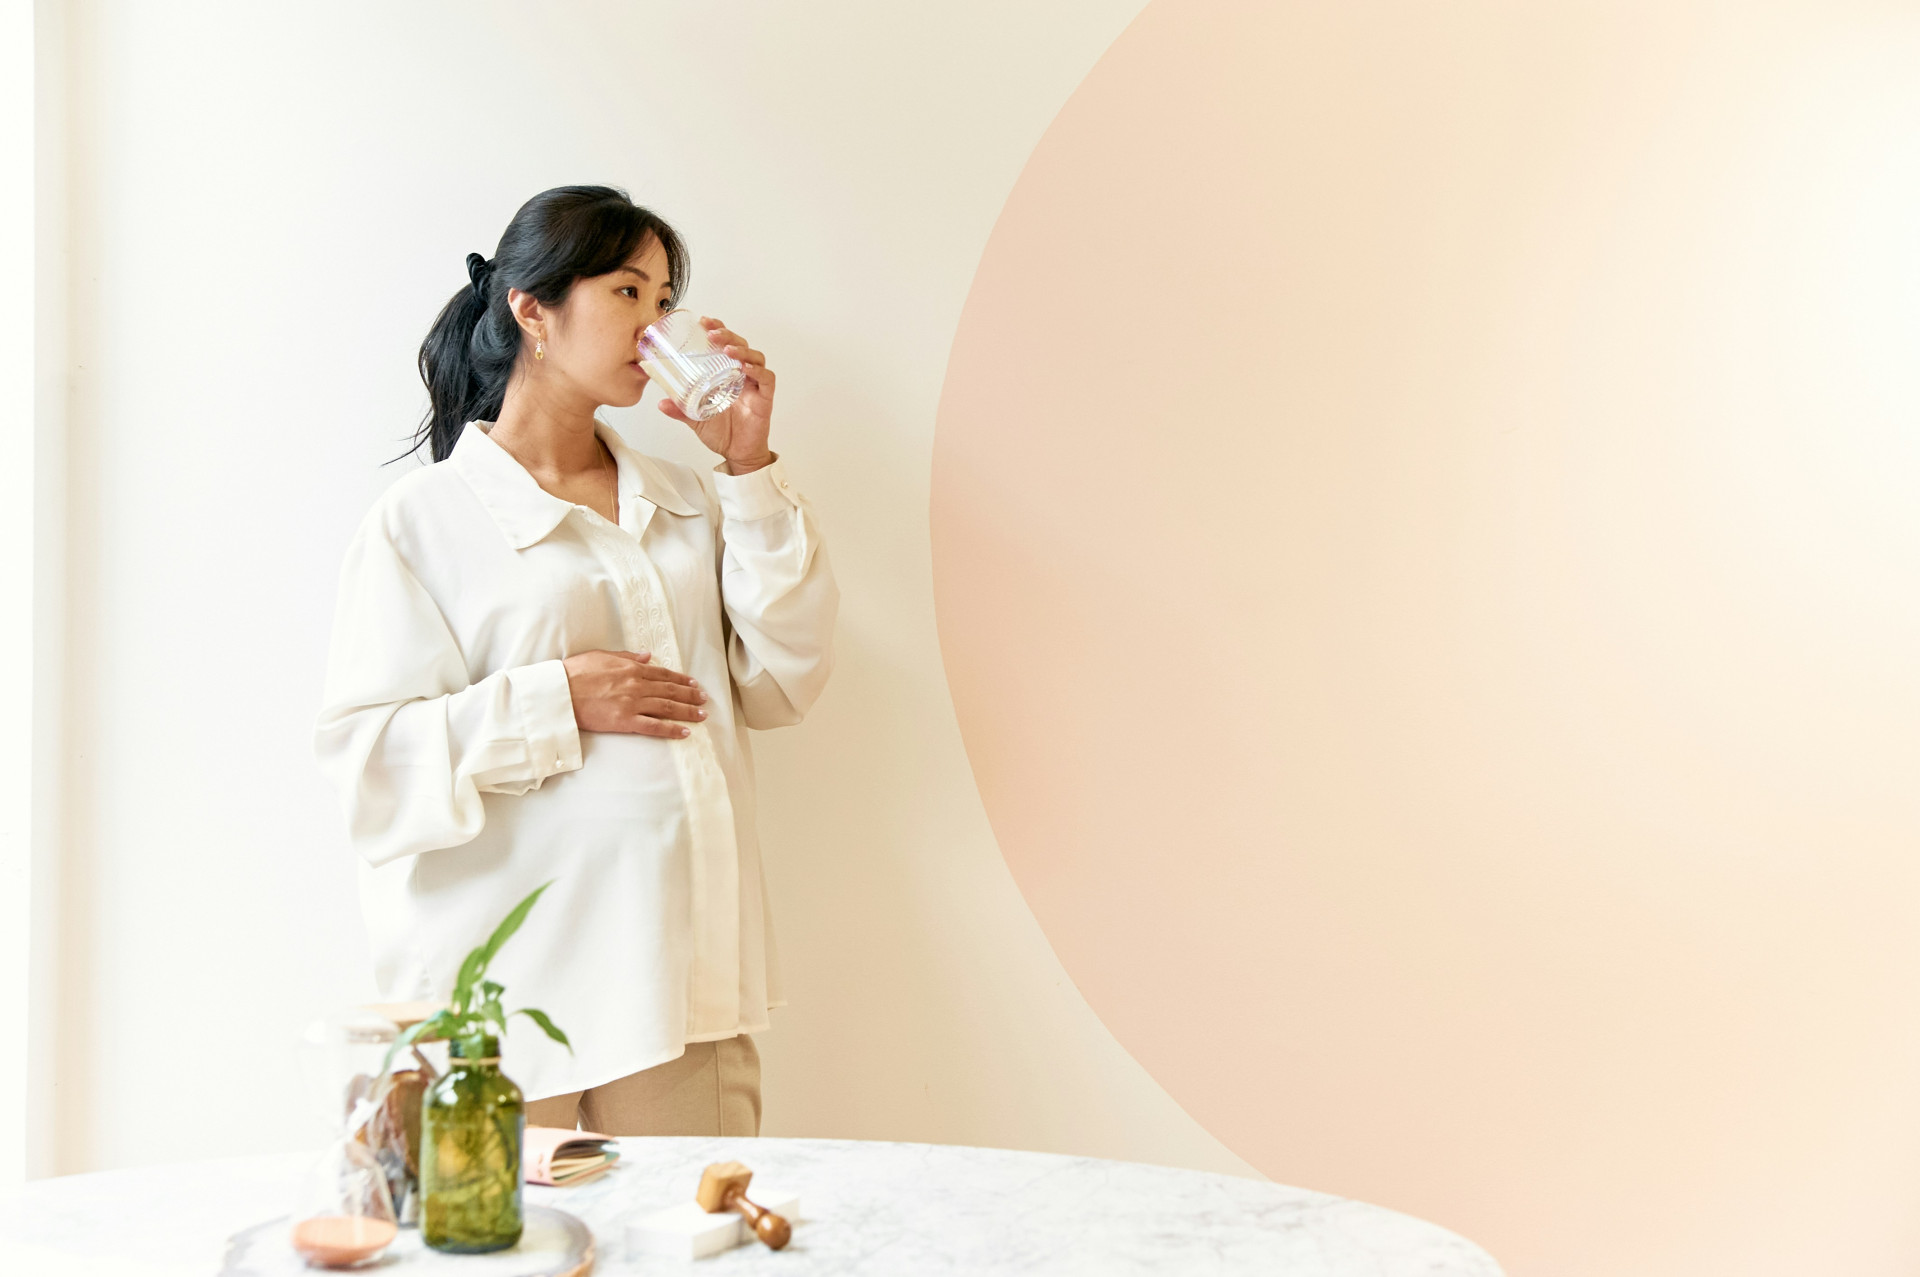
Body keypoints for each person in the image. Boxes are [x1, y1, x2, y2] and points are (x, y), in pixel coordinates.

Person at [313, 185, 837, 1136]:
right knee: (513, 1224)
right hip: (504, 1010)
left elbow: (780, 682)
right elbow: (370, 766)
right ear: (532, 310)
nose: (655, 324)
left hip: (684, 987)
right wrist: (556, 699)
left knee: (694, 1219)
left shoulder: (687, 500)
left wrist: (748, 467)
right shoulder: (423, 523)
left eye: (666, 300)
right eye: (628, 292)